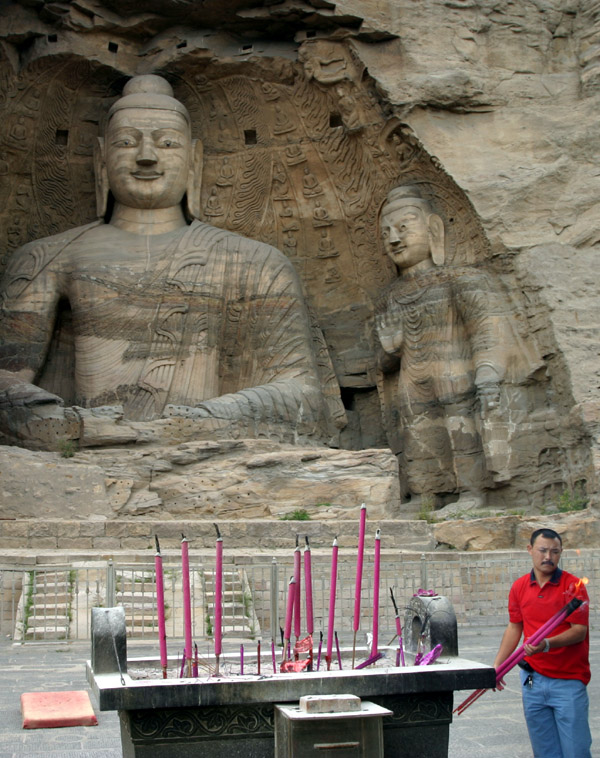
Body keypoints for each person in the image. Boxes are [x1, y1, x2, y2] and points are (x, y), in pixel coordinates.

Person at [0, 75, 342, 448]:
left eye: (167, 143)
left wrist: (196, 422)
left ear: (195, 159)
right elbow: (6, 381)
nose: (147, 156)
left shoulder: (255, 262)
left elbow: (304, 397)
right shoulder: (47, 257)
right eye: (127, 142)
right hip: (84, 446)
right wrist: (69, 426)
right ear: (101, 158)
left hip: (206, 450)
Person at [374, 184, 541, 506]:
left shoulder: (462, 279)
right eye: (386, 233)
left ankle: (472, 493)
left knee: (464, 434)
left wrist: (488, 373)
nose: (394, 239)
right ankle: (426, 496)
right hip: (412, 384)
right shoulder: (389, 297)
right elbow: (382, 365)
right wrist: (390, 349)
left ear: (433, 229)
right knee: (419, 439)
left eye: (404, 228)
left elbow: (488, 331)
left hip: (457, 373)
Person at [494, 528, 591, 758]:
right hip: (532, 681)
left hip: (568, 681)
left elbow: (579, 631)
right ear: (530, 550)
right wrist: (497, 666)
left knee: (575, 752)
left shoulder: (574, 586)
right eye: (543, 550)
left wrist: (547, 644)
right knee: (545, 752)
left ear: (561, 553)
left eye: (554, 552)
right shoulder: (519, 586)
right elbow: (514, 626)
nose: (548, 557)